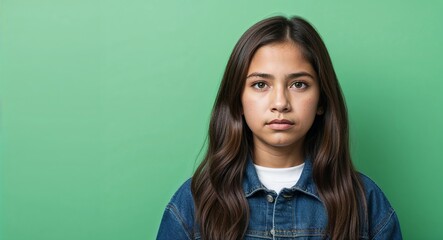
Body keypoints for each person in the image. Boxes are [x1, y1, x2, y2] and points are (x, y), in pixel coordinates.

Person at [157, 16, 402, 240]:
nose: (280, 103)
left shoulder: (366, 203)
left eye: (298, 84)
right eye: (261, 84)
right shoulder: (194, 202)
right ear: (237, 100)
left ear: (322, 100)